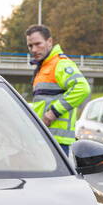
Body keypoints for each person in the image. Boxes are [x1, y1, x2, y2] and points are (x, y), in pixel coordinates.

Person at [25, 24, 89, 155]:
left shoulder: (60, 64)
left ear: (49, 41)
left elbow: (82, 88)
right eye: (30, 46)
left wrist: (53, 113)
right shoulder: (43, 67)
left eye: (38, 44)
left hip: (57, 141)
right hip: (44, 138)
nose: (34, 49)